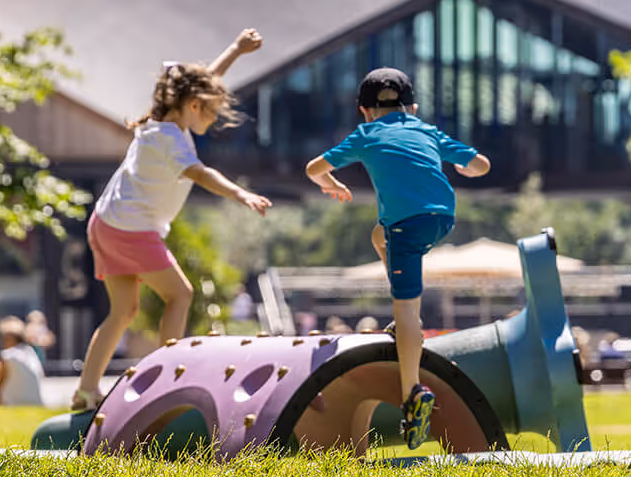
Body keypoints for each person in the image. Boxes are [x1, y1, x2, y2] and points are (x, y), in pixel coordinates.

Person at [71, 29, 272, 411]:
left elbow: (203, 80)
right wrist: (241, 193)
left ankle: (85, 392)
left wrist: (236, 50)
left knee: (123, 311)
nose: (213, 120)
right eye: (211, 112)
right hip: (130, 229)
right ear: (194, 105)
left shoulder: (165, 122)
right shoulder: (172, 140)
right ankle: (165, 381)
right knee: (180, 295)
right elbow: (201, 174)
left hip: (107, 222)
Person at [305, 67, 490, 449]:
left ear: (364, 110)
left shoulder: (366, 133)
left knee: (406, 311)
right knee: (378, 235)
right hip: (443, 218)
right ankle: (408, 329)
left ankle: (412, 393)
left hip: (407, 226)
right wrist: (461, 167)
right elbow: (481, 165)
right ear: (413, 106)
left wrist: (331, 183)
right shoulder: (426, 130)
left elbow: (313, 169)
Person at [0, 316, 44, 406]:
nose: (3, 342)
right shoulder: (30, 352)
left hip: (14, 403)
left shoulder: (9, 355)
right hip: (36, 404)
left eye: (5, 338)